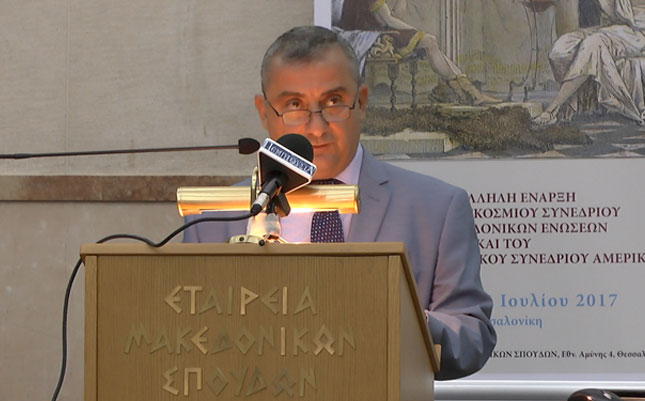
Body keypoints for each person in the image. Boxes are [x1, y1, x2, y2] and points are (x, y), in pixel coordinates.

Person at [183, 26, 496, 380]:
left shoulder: (436, 208)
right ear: (264, 111)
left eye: (333, 102)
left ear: (361, 102)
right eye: (294, 105)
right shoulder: (214, 218)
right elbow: (188, 339)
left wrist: (401, 319)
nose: (316, 128)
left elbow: (472, 339)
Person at [332, 0, 502, 105]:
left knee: (430, 42)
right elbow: (389, 20)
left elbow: (394, 16)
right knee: (429, 41)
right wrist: (416, 32)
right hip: (371, 35)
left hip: (382, 30)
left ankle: (470, 93)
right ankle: (471, 93)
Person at [534, 0, 645, 125]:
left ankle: (553, 109)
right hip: (617, 29)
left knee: (593, 43)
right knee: (561, 48)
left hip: (638, 36)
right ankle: (572, 102)